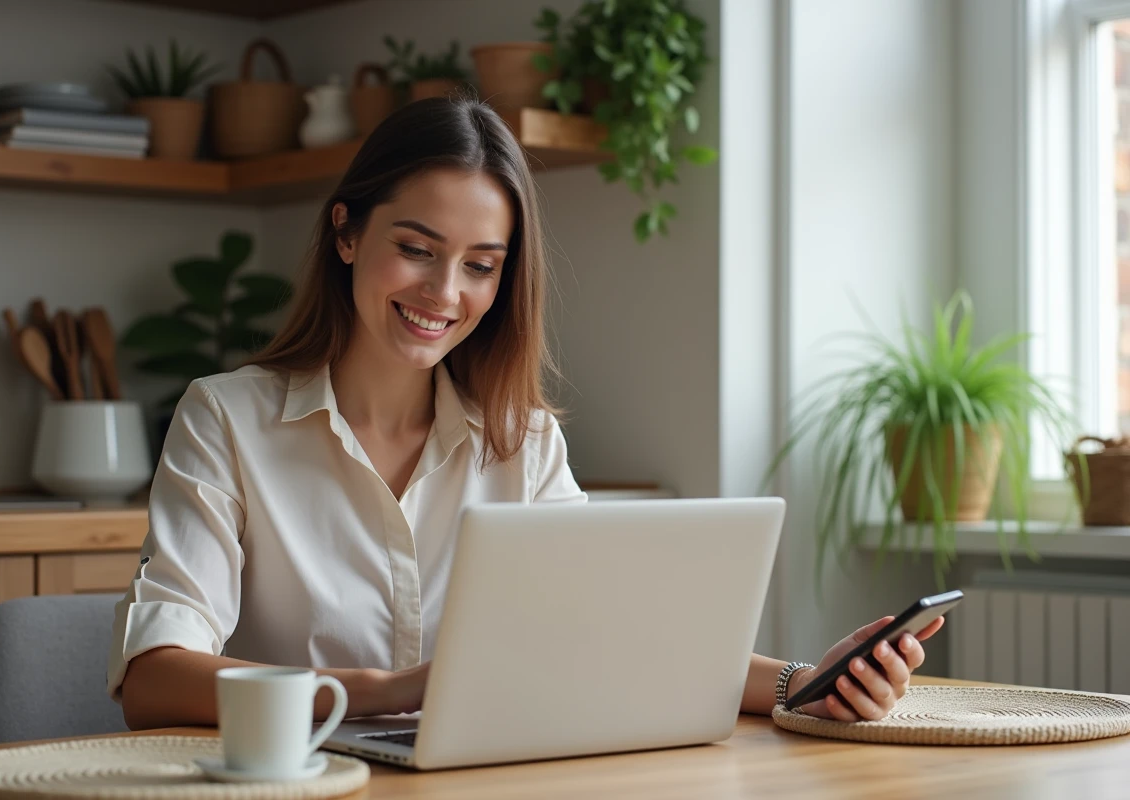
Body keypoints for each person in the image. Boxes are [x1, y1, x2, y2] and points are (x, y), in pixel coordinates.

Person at [109, 96, 943, 731]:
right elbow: (152, 679)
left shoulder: (523, 441)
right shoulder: (226, 419)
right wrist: (392, 693)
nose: (444, 293)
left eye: (480, 264)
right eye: (416, 248)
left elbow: (617, 638)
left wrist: (806, 682)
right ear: (347, 234)